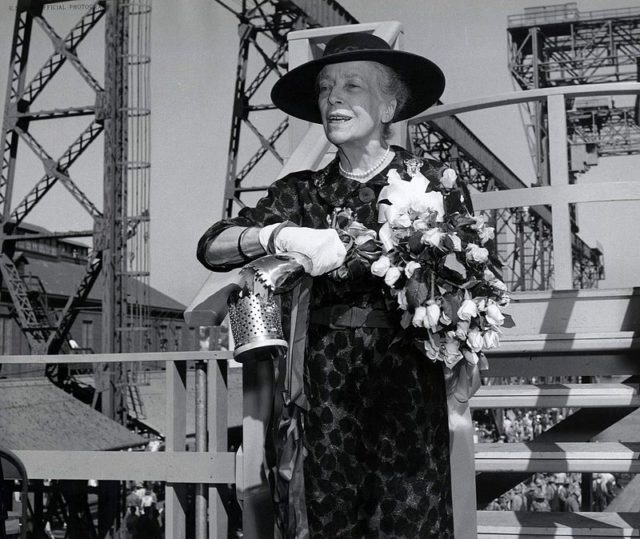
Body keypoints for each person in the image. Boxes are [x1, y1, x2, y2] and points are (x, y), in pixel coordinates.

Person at [197, 32, 471, 538]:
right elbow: (212, 246)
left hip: (406, 379)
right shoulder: (300, 193)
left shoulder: (432, 182)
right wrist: (279, 233)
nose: (334, 98)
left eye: (352, 85)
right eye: (325, 89)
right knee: (329, 519)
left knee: (410, 516)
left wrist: (468, 355)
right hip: (326, 388)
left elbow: (468, 282)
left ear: (391, 104)